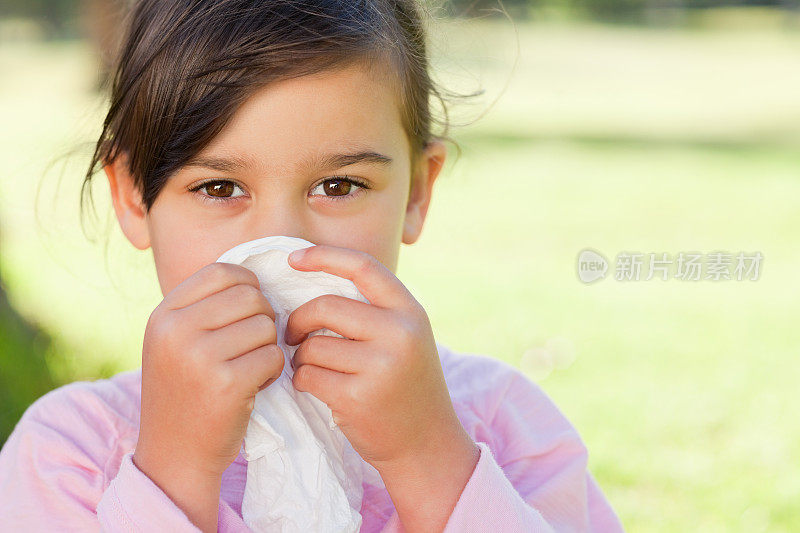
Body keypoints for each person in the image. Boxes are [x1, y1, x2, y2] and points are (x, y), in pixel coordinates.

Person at [0, 1, 625, 531]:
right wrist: (175, 470)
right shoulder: (73, 453)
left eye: (340, 184)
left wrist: (429, 458)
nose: (279, 241)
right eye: (219, 188)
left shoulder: (502, 423)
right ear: (134, 196)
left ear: (415, 192)